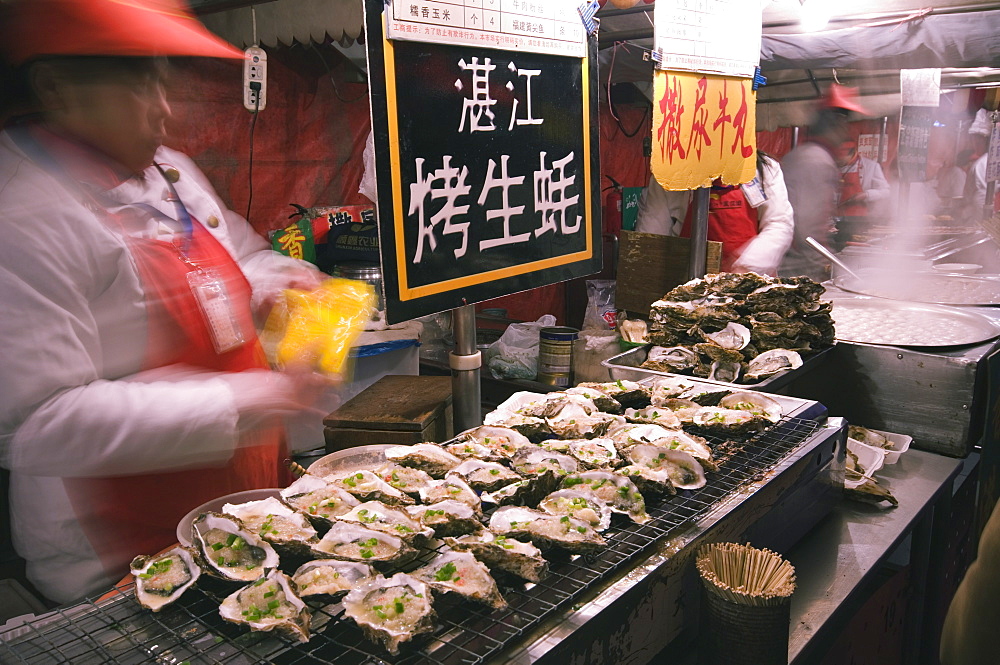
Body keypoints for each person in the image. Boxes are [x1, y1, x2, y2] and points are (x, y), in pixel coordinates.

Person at [0, 0, 329, 604]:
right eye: (135, 83)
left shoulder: (169, 172)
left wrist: (279, 282)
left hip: (238, 504)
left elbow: (240, 260)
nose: (164, 108)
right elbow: (35, 421)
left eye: (160, 79)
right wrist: (245, 398)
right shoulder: (20, 211)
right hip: (119, 547)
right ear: (55, 88)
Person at [634, 151, 794, 276]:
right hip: (688, 288)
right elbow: (651, 240)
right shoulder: (670, 173)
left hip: (753, 285)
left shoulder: (762, 167)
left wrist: (746, 267)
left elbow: (779, 224)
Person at [778, 83, 869, 281]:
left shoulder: (810, 155)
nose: (846, 131)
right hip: (799, 266)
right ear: (834, 123)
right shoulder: (814, 160)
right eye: (845, 123)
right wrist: (819, 263)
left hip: (799, 260)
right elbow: (805, 225)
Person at [836, 139, 890, 219]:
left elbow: (886, 191)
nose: (838, 161)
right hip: (835, 215)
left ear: (852, 154)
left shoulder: (871, 166)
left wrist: (866, 195)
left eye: (841, 158)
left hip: (860, 218)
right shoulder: (830, 166)